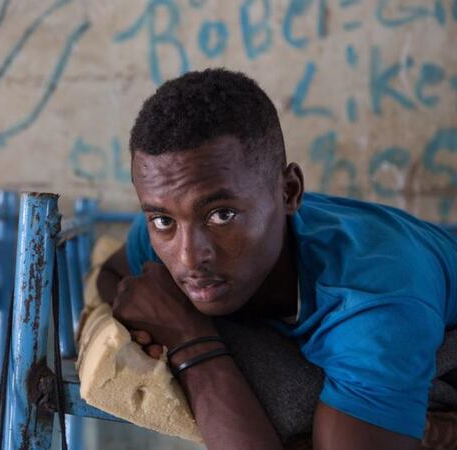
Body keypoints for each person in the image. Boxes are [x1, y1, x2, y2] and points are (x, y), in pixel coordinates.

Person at [98, 68, 457, 450]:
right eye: (163, 220)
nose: (188, 257)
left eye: (221, 215)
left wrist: (192, 344)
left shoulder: (373, 300)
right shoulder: (168, 226)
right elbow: (114, 275)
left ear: (289, 192)